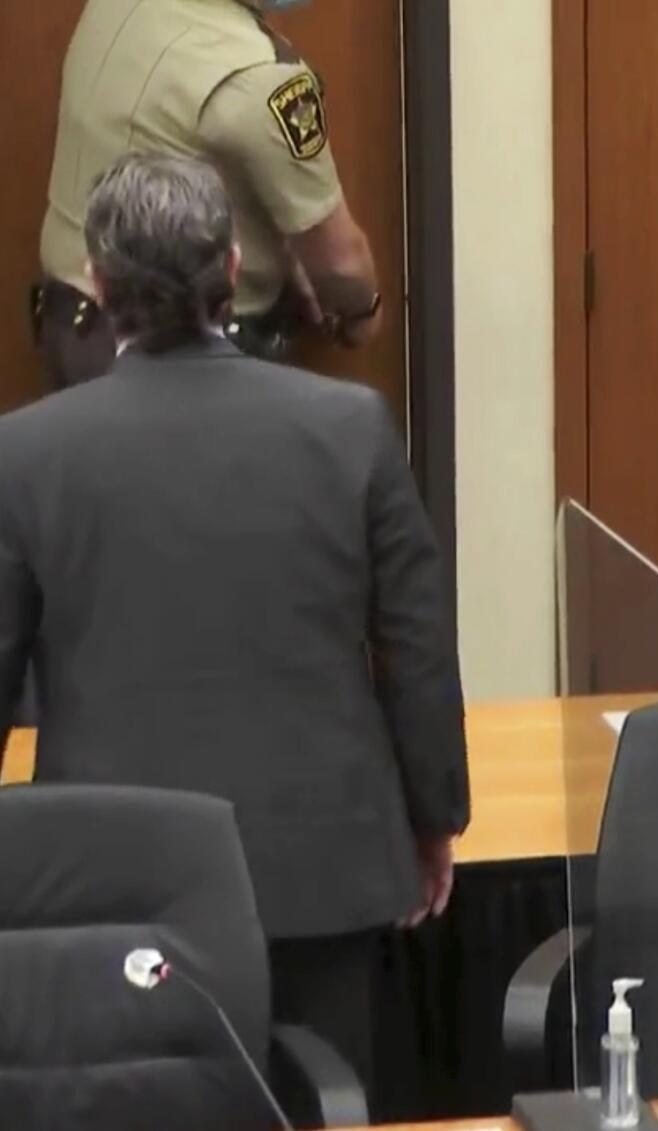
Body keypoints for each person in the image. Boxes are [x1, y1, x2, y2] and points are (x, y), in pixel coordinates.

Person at [0, 153, 465, 1095]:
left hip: (112, 885)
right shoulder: (352, 427)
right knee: (318, 1101)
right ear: (232, 266)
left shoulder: (28, 452)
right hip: (321, 873)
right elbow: (415, 642)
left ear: (96, 281)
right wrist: (433, 817)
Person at [34, 0, 381, 390]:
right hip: (183, 365)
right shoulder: (258, 78)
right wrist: (360, 316)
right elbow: (340, 264)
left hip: (73, 321)